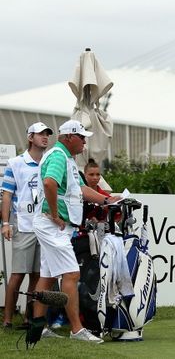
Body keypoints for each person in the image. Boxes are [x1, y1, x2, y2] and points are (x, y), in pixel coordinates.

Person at [26, 120, 120, 345]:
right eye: (82, 137)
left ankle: (37, 325)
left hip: (53, 225)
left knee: (47, 277)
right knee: (72, 275)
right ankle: (77, 330)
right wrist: (56, 214)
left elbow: (82, 189)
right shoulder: (59, 156)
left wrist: (107, 199)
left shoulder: (64, 158)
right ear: (69, 137)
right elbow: (49, 184)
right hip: (53, 225)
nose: (85, 142)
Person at [1, 122, 52, 330]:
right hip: (22, 224)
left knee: (38, 275)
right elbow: (7, 194)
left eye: (47, 134)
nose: (45, 137)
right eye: (40, 134)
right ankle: (7, 319)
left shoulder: (49, 162)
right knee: (18, 274)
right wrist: (5, 223)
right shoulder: (16, 162)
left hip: (44, 226)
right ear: (30, 137)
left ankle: (29, 317)